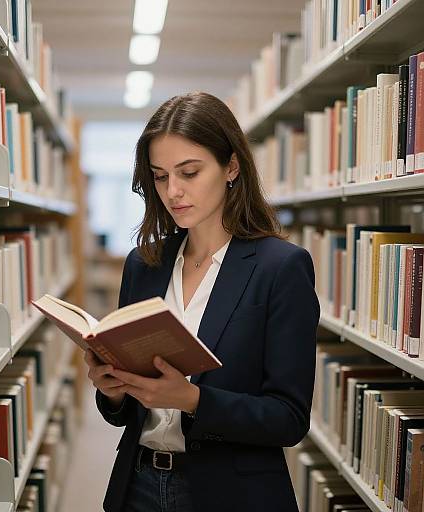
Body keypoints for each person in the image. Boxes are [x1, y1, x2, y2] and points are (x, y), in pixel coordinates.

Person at [84, 91, 320, 512]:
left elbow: (288, 418)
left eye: (189, 172)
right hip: (137, 485)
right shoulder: (145, 264)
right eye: (159, 176)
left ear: (231, 166)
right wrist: (114, 391)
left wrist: (191, 400)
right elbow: (122, 413)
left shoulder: (281, 268)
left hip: (230, 493)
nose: (173, 191)